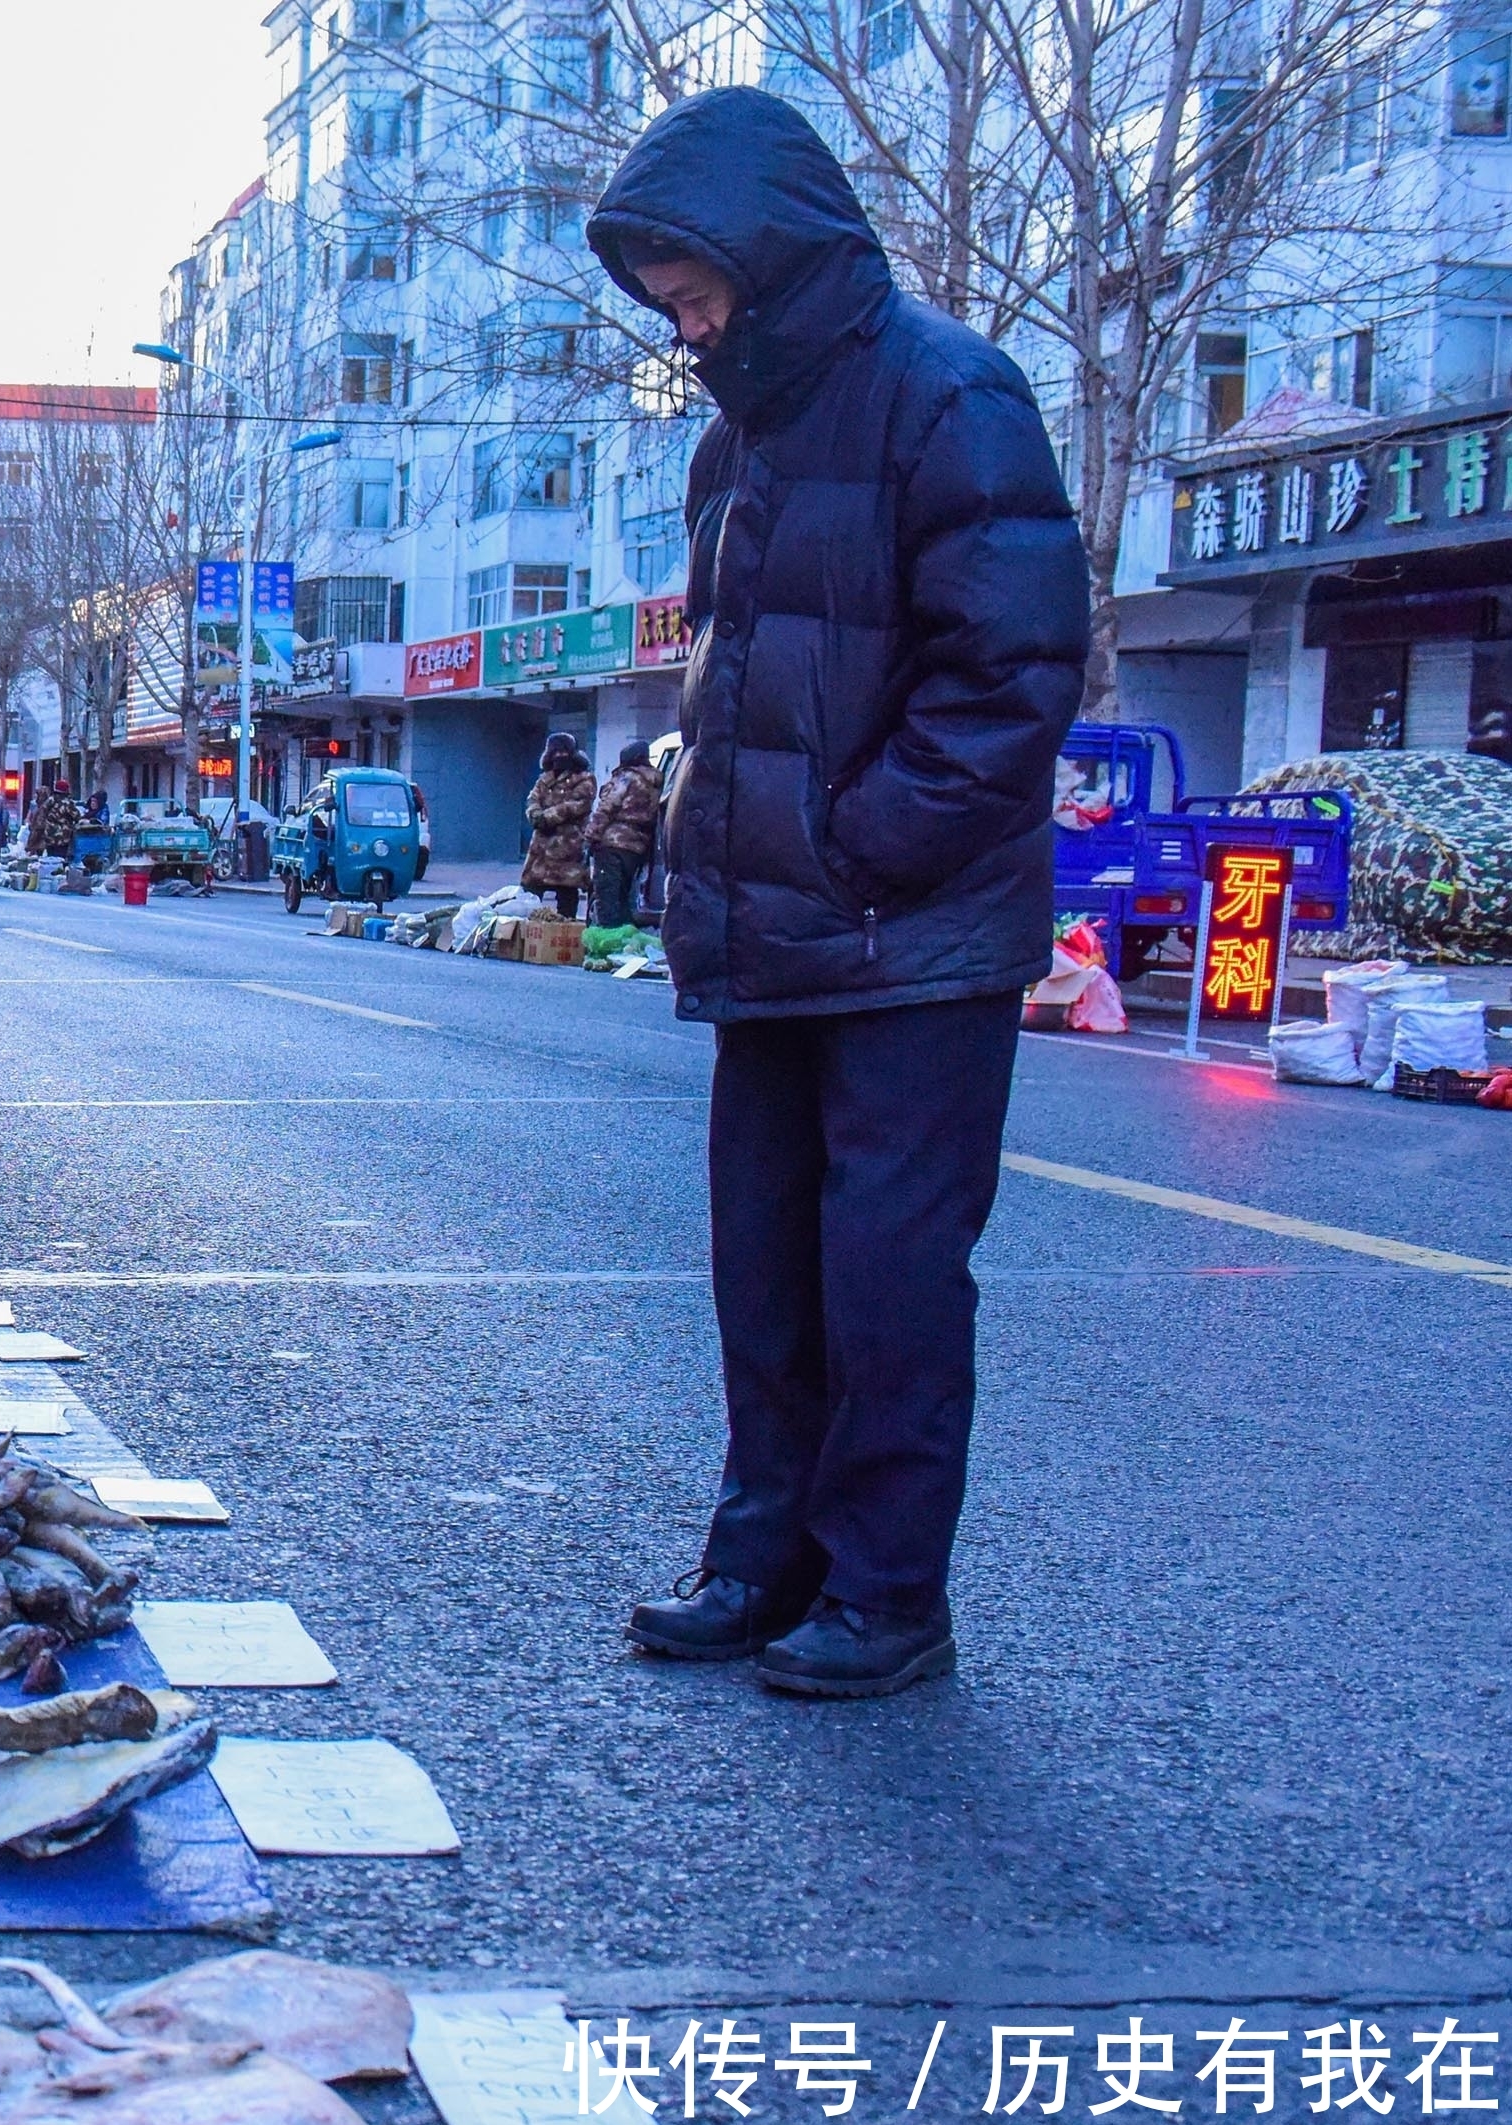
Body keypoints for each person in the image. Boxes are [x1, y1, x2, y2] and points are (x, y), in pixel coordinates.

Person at [590, 88, 1082, 1697]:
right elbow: (738, 682)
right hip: (776, 934)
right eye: (667, 302)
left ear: (773, 250)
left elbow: (1006, 676)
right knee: (765, 1269)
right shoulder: (733, 441)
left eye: (696, 289)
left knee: (884, 1280)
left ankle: (886, 1593)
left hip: (911, 936)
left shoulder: (949, 396)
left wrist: (861, 846)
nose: (688, 322)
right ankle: (763, 1556)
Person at [585, 740, 664, 929]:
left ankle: (606, 945)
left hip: (612, 844)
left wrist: (590, 838)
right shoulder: (656, 782)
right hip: (637, 848)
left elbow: (606, 808)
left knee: (607, 899)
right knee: (624, 899)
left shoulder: (627, 778)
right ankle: (624, 944)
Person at [521, 733, 596, 920]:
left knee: (567, 896)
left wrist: (547, 817)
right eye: (555, 752)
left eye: (564, 752)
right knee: (529, 895)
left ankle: (565, 935)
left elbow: (577, 805)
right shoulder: (544, 779)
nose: (559, 756)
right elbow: (532, 800)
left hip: (568, 849)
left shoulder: (584, 779)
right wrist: (535, 815)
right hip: (541, 850)